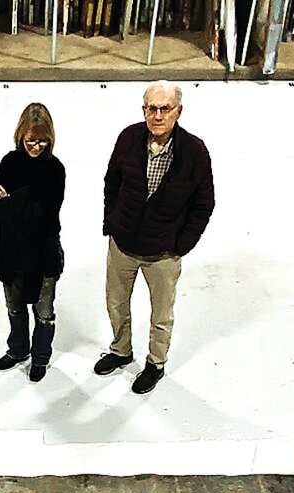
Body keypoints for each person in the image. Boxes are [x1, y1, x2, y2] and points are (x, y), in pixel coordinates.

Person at [95, 80, 215, 396]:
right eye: (152, 108)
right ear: (144, 110)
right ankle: (121, 351)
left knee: (161, 315)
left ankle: (156, 363)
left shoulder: (194, 152)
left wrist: (181, 244)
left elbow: (204, 204)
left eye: (165, 109)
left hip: (163, 253)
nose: (157, 116)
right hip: (122, 245)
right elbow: (112, 183)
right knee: (116, 303)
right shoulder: (129, 138)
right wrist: (112, 222)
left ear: (178, 111)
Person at [0, 103, 66, 384]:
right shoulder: (9, 162)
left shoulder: (55, 169)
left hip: (44, 255)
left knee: (44, 311)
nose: (36, 146)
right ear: (21, 136)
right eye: (31, 140)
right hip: (11, 254)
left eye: (42, 141)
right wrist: (23, 204)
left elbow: (45, 216)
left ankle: (40, 357)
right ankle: (18, 349)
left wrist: (11, 202)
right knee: (14, 307)